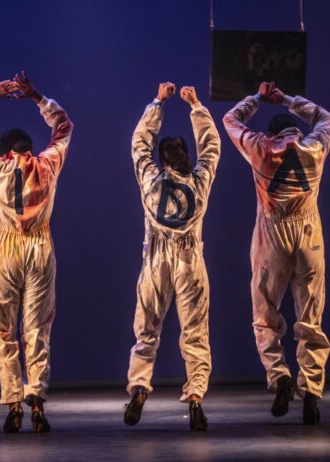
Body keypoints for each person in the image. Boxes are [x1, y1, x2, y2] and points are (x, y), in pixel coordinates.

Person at [0, 71, 73, 433]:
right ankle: (36, 400)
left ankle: (12, 403)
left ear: (4, 149)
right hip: (40, 247)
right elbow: (64, 127)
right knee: (37, 327)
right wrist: (37, 97)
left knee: (3, 328)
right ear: (29, 147)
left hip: (4, 248)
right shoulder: (47, 165)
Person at [223, 82, 330, 424]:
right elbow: (325, 117)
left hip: (273, 233)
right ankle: (311, 391)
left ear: (271, 134)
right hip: (309, 233)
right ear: (294, 131)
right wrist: (286, 99)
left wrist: (257, 98)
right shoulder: (314, 146)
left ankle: (279, 374)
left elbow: (230, 120)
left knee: (265, 311)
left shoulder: (260, 147)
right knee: (310, 316)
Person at [125, 83, 221, 431]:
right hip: (189, 259)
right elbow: (211, 147)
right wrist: (195, 106)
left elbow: (139, 144)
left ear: (162, 159)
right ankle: (195, 398)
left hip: (156, 261)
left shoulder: (150, 179)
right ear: (185, 156)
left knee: (147, 330)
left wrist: (158, 103)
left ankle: (139, 388)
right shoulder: (200, 181)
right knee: (194, 333)